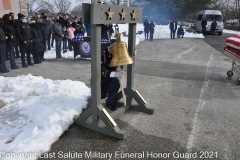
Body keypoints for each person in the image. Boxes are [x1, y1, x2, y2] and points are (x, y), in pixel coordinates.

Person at [100, 39, 121, 111]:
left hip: (111, 77)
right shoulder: (102, 53)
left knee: (116, 81)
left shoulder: (115, 54)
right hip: (101, 78)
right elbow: (100, 70)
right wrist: (113, 74)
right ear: (111, 47)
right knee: (101, 95)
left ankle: (110, 101)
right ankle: (105, 95)